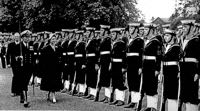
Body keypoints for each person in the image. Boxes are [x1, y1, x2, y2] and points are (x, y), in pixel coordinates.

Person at [140, 24, 163, 111]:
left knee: (152, 86)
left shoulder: (156, 41)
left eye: (146, 29)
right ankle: (149, 106)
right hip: (146, 65)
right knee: (147, 86)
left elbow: (159, 56)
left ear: (151, 30)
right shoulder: (146, 41)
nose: (144, 31)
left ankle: (153, 107)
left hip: (152, 66)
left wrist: (157, 69)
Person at [179, 19, 200, 111]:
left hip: (192, 70)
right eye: (183, 27)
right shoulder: (182, 40)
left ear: (192, 28)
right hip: (183, 69)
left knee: (192, 94)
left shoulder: (197, 40)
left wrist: (198, 72)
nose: (183, 29)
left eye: (186, 27)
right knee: (185, 93)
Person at [161, 29, 183, 111]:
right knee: (165, 92)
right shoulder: (166, 47)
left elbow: (181, 60)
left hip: (173, 72)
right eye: (164, 35)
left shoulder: (177, 47)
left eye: (167, 35)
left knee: (173, 93)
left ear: (173, 37)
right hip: (166, 71)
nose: (165, 37)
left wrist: (180, 72)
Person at [124, 23, 144, 109]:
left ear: (136, 29)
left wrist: (140, 66)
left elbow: (141, 54)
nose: (130, 29)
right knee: (131, 82)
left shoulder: (140, 40)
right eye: (130, 28)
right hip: (130, 64)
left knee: (136, 83)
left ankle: (137, 102)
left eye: (132, 28)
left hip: (136, 64)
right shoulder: (130, 39)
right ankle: (133, 101)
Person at [40, 33, 63, 103]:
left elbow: (60, 57)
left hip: (56, 68)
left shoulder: (58, 48)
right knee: (50, 82)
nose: (54, 40)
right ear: (50, 40)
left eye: (55, 39)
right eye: (52, 39)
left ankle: (53, 96)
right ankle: (50, 94)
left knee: (54, 83)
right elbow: (43, 59)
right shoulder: (46, 48)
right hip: (48, 68)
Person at [109, 28, 127, 106]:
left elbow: (124, 56)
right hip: (114, 64)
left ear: (117, 35)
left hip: (120, 64)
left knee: (120, 82)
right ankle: (117, 99)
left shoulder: (121, 43)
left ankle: (121, 100)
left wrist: (124, 67)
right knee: (115, 81)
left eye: (113, 34)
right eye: (111, 34)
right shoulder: (115, 43)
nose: (112, 36)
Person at [95, 25, 112, 103]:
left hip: (107, 61)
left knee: (106, 79)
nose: (101, 32)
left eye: (102, 31)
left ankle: (108, 97)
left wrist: (110, 63)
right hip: (102, 60)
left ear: (106, 31)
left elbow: (111, 52)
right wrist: (98, 62)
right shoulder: (101, 40)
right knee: (102, 78)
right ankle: (105, 96)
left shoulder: (109, 40)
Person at [84, 27, 100, 100]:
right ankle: (91, 93)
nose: (86, 34)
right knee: (89, 77)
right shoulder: (89, 41)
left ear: (92, 33)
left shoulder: (95, 41)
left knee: (93, 77)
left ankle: (93, 94)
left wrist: (96, 63)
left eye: (88, 32)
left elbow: (97, 53)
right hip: (89, 61)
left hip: (93, 61)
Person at [6, 33, 21, 97]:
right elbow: (7, 54)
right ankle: (13, 91)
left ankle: (18, 91)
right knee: (15, 76)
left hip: (21, 63)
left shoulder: (21, 45)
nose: (17, 38)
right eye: (16, 37)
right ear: (14, 37)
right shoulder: (10, 45)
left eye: (18, 36)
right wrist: (8, 63)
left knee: (19, 77)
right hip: (14, 63)